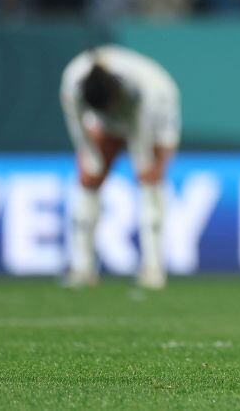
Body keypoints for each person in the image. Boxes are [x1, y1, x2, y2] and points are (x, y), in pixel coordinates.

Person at [60, 45, 181, 290]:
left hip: (156, 113)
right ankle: (82, 266)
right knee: (89, 179)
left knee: (149, 179)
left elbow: (144, 141)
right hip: (105, 119)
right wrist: (91, 158)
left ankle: (153, 267)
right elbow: (78, 129)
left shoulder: (148, 90)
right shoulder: (72, 85)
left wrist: (150, 164)